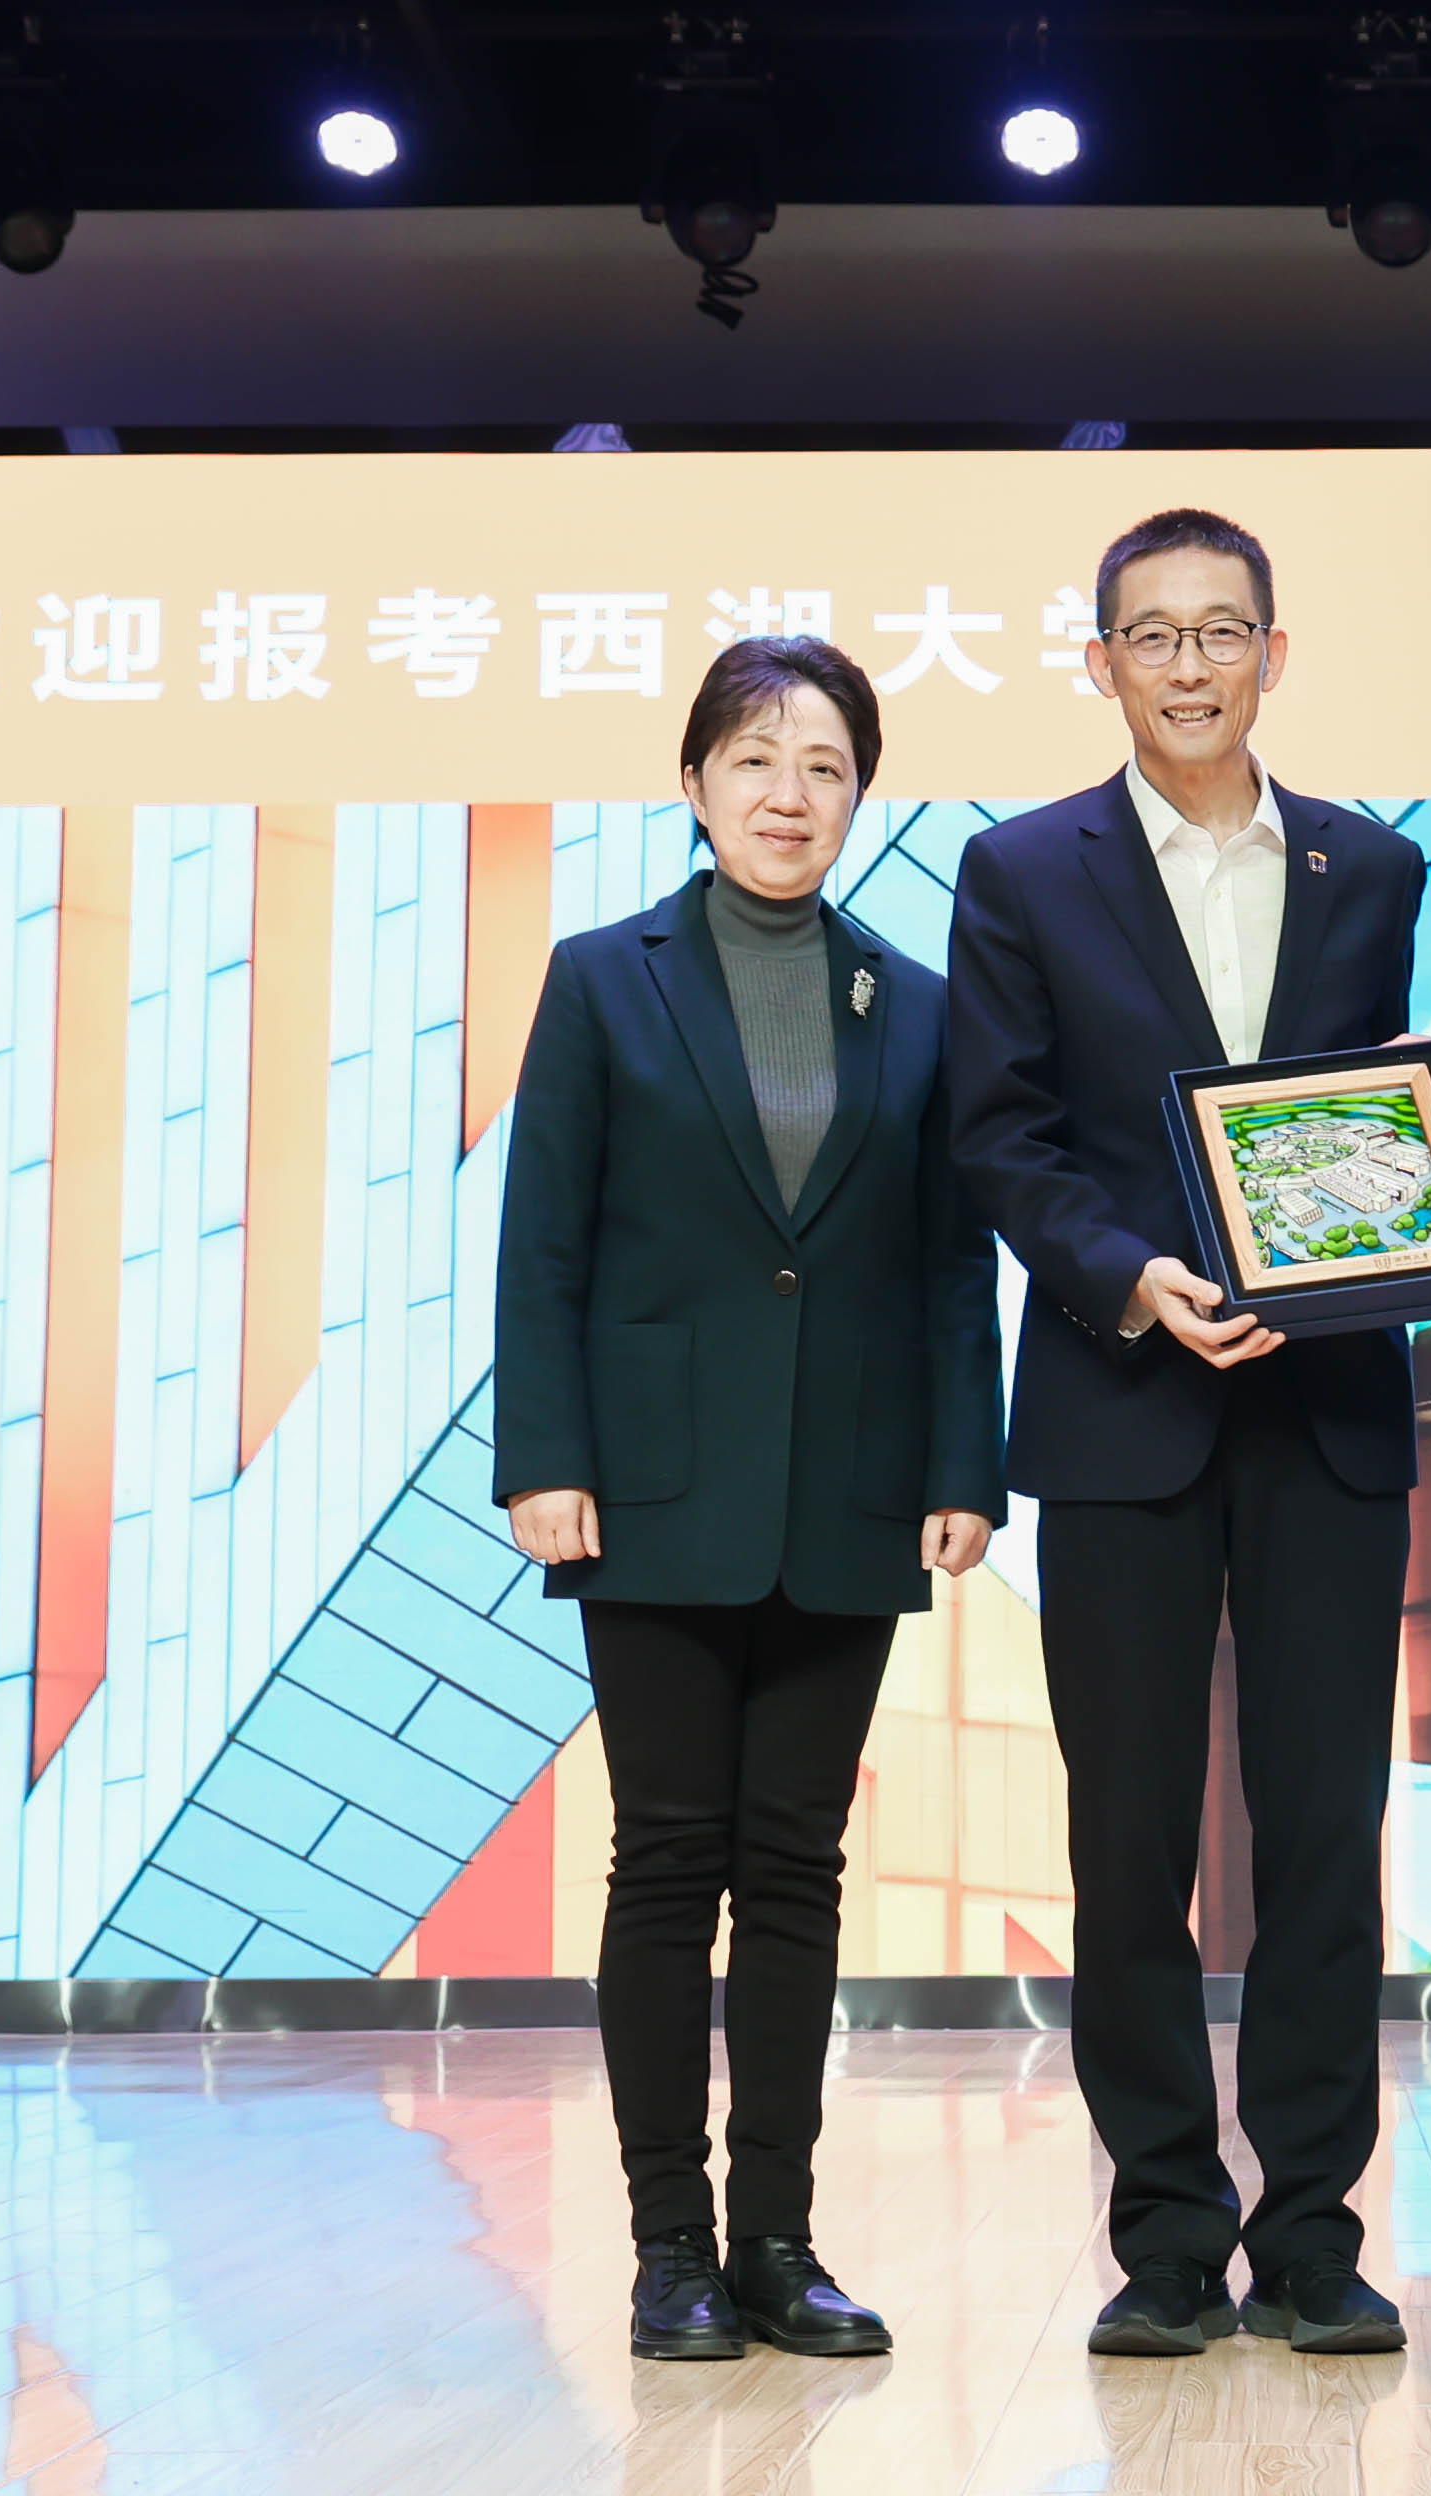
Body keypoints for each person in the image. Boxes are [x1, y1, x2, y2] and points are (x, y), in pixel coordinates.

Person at [491, 636, 1004, 2364]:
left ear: (862, 796)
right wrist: (544, 1458)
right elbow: (544, 1241)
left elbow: (952, 1263)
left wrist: (962, 1463)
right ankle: (669, 2250)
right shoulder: (602, 977)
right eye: (758, 760)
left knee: (798, 1867)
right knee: (666, 1859)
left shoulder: (913, 1000)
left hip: (850, 1489)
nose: (792, 795)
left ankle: (778, 2241)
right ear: (696, 783)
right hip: (651, 1488)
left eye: (827, 766)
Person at [948, 509, 1427, 2358]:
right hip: (1123, 1400)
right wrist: (1133, 1280)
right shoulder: (1022, 869)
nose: (1191, 664)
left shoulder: (1370, 865)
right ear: (1102, 665)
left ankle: (1310, 2232)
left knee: (1323, 1835)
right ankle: (1163, 2231)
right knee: (1129, 1839)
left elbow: (1370, 1130)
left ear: (1273, 655)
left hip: (1326, 1408)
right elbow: (1002, 1138)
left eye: (1223, 631)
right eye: (1153, 635)